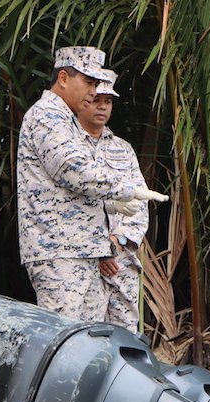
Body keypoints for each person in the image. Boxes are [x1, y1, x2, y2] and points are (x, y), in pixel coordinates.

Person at [16, 45, 168, 321]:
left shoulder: (66, 121)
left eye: (97, 84)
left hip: (85, 250)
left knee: (89, 339)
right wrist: (126, 190)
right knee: (64, 337)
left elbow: (69, 192)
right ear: (64, 78)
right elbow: (74, 171)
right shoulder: (46, 115)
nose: (93, 91)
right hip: (59, 250)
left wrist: (114, 210)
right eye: (89, 82)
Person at [77, 69, 148, 331]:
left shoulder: (123, 149)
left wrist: (118, 242)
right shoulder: (68, 146)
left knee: (125, 338)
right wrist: (99, 248)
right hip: (84, 264)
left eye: (108, 101)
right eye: (97, 100)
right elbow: (66, 206)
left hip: (121, 262)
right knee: (86, 337)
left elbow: (138, 200)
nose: (102, 106)